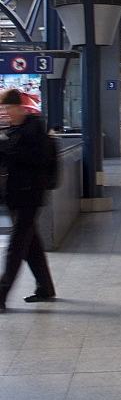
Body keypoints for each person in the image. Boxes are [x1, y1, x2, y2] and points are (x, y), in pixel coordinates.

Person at [0, 89, 56, 310]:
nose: (5, 113)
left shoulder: (34, 129)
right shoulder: (12, 130)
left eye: (7, 108)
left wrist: (5, 148)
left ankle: (1, 294)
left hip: (29, 195)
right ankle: (45, 288)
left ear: (19, 108)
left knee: (16, 247)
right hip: (15, 195)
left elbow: (37, 159)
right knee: (31, 245)